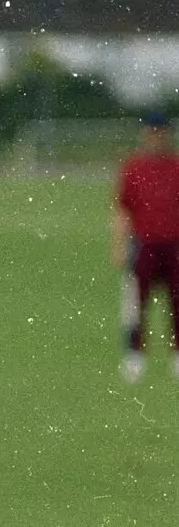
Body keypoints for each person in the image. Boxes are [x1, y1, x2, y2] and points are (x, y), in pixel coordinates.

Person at [112, 109, 179, 383]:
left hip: (174, 244)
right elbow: (122, 209)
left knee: (177, 303)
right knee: (136, 304)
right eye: (152, 132)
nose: (156, 137)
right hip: (143, 244)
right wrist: (117, 245)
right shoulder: (134, 167)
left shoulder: (176, 167)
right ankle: (134, 356)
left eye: (160, 132)